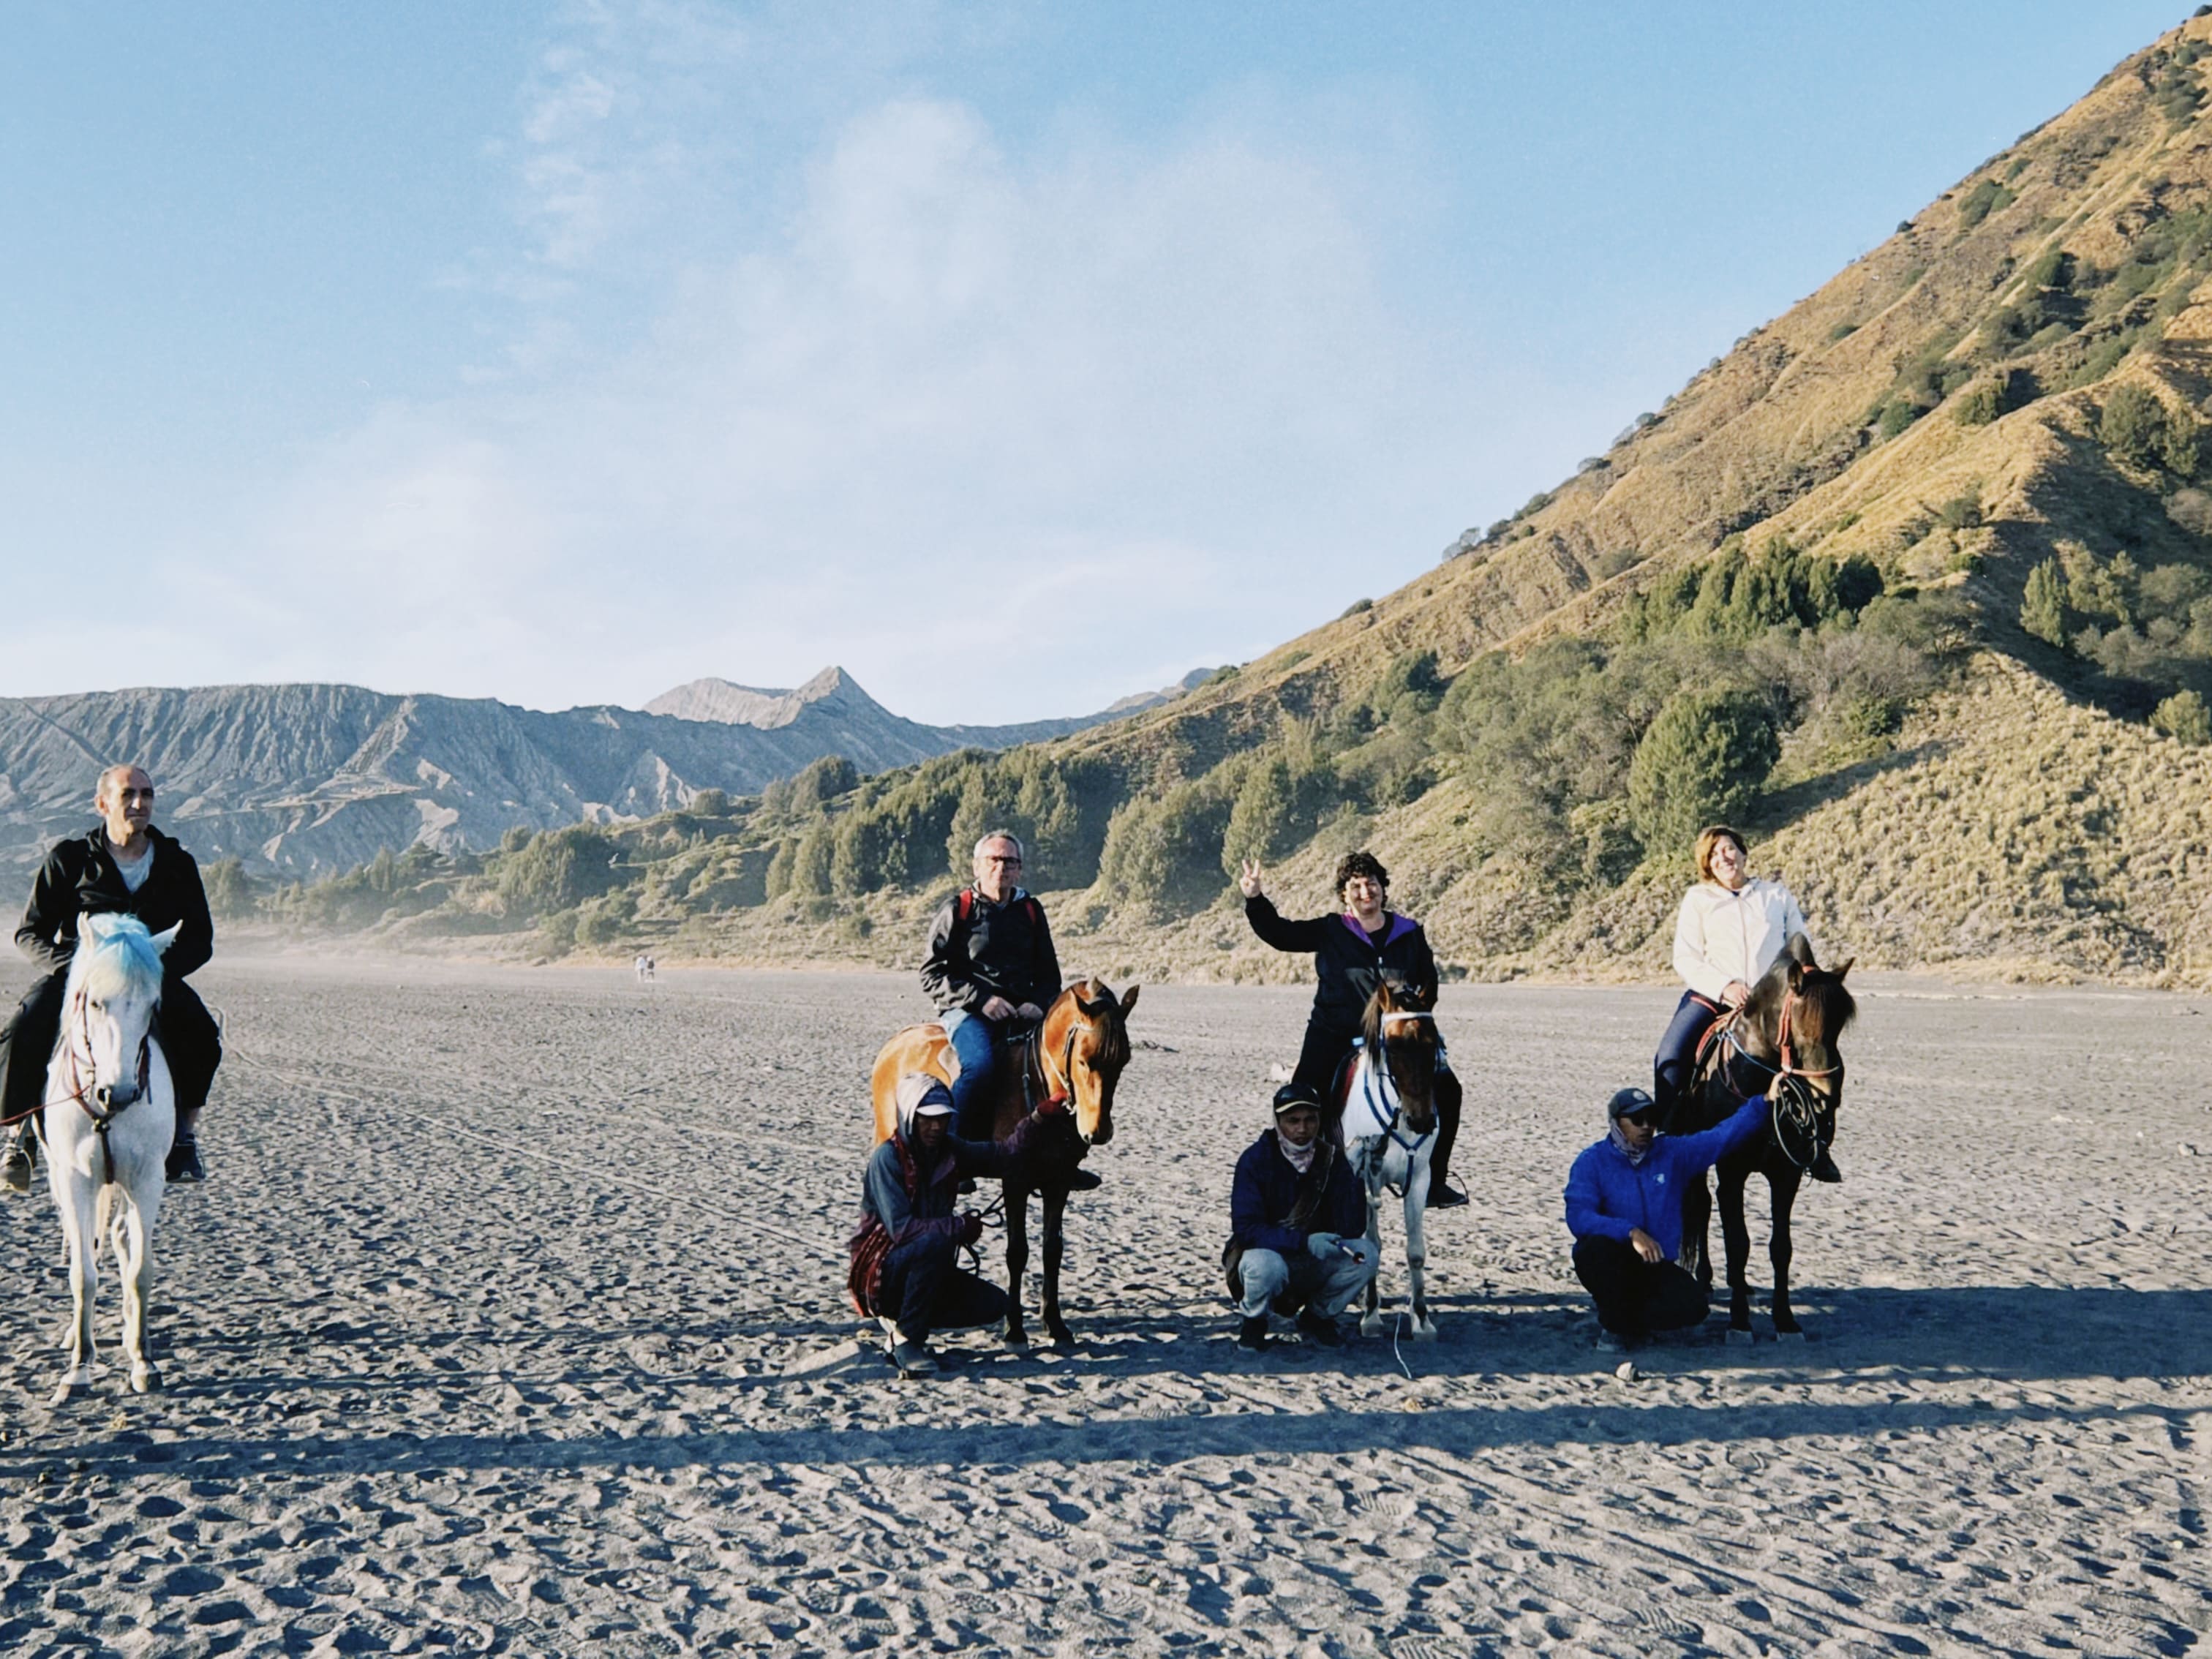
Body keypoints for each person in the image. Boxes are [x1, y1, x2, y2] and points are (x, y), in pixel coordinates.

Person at [1, 765, 223, 1192]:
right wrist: (76, 969)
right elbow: (30, 932)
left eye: (147, 794)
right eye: (128, 794)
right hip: (81, 977)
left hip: (149, 977)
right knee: (22, 1028)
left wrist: (151, 971)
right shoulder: (69, 859)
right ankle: (17, 1137)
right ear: (103, 804)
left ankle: (183, 1138)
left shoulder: (177, 863)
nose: (139, 803)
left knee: (202, 1036)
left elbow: (200, 939)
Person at [1238, 850, 1467, 1207]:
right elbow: (1281, 934)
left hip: (1396, 1036)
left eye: (1371, 884)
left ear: (1383, 889)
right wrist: (1255, 899)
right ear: (1345, 895)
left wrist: (1413, 1012)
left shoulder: (1410, 933)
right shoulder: (1332, 930)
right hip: (1333, 1033)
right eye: (1356, 886)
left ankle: (1435, 1180)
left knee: (1450, 1090)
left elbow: (1428, 980)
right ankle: (1298, 1178)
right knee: (1301, 1096)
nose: (1365, 892)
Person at [1652, 822, 1837, 1182]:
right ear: (1707, 863)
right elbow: (1686, 958)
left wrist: (1804, 985)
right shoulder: (1698, 899)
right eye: (1714, 854)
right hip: (1714, 996)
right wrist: (1724, 987)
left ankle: (1816, 1145)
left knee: (1820, 1055)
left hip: (1774, 1004)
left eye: (1729, 849)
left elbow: (1800, 945)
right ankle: (1670, 1136)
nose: (1723, 857)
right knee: (1670, 1055)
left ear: (1743, 852)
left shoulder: (1775, 895)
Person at [920, 830, 1096, 1190]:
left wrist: (1038, 1003)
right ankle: (950, 1159)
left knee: (1065, 1066)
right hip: (967, 1010)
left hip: (1023, 1013)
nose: (1001, 867)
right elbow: (932, 973)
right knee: (980, 1065)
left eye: (1010, 861)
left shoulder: (1030, 910)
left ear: (1020, 869)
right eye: (994, 860)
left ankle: (1065, 1158)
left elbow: (1049, 974)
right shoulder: (958, 909)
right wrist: (981, 1000)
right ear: (977, 866)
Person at [849, 1074, 1049, 1377]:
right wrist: (959, 1227)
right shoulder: (887, 1158)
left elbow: (1003, 1155)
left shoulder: (950, 1149)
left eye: (942, 1119)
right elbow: (902, 1230)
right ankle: (907, 1339)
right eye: (927, 1119)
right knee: (934, 1241)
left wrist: (1036, 1120)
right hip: (882, 1270)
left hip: (927, 1265)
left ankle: (906, 1322)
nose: (936, 1127)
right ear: (909, 1117)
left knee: (994, 1304)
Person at [1564, 1084, 1770, 1351]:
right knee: (1595, 1250)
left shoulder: (1672, 1154)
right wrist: (1630, 1232)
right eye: (1637, 1120)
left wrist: (1763, 1101)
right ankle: (1614, 1330)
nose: (1646, 1126)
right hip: (1613, 1256)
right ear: (1616, 1122)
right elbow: (1579, 1216)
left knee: (1694, 1307)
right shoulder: (1592, 1161)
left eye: (1652, 1119)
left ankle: (1629, 1321)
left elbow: (1720, 1138)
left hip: (1655, 1263)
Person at [1224, 1083, 1378, 1352]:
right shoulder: (1255, 1160)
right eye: (1293, 1121)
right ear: (1278, 1121)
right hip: (1269, 1255)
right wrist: (1303, 1242)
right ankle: (1254, 1322)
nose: (1302, 1129)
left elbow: (1352, 1227)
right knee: (1264, 1267)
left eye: (1310, 1119)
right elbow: (1246, 1229)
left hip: (1316, 1256)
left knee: (1365, 1256)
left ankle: (1318, 1317)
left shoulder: (1332, 1159)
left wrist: (1355, 1183)